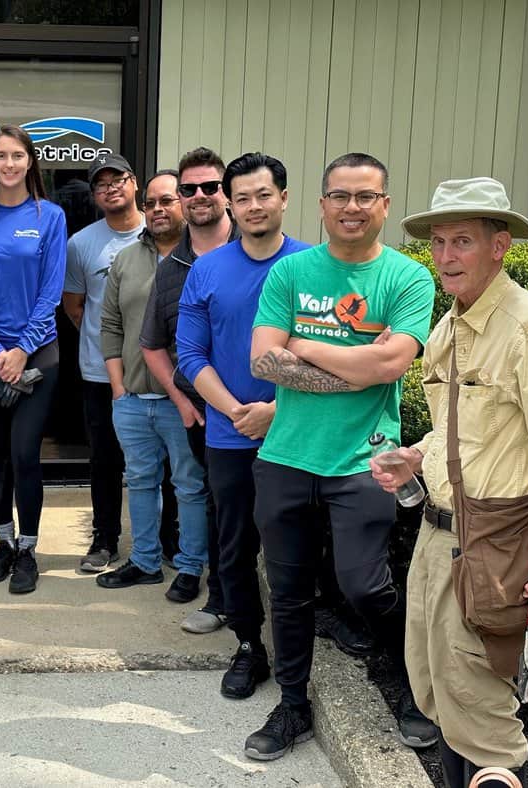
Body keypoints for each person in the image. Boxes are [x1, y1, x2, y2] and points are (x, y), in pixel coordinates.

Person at [374, 177, 528, 787]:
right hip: (436, 537)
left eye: (463, 242)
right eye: (438, 242)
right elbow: (457, 428)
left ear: (499, 246)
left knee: (479, 702)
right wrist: (416, 456)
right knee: (436, 687)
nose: (445, 256)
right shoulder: (448, 326)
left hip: (496, 539)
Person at [247, 152, 437, 760]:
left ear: (385, 205)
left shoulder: (408, 278)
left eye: (365, 196)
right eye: (340, 196)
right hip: (286, 456)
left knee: (366, 587)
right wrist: (357, 368)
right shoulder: (291, 272)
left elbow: (391, 364)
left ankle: (416, 688)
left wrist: (303, 345)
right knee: (288, 591)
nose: (351, 207)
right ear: (323, 203)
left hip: (365, 461)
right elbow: (263, 360)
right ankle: (293, 705)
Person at [179, 152, 310, 700]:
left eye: (264, 195)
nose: (254, 206)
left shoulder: (314, 266)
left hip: (299, 433)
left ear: (284, 198)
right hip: (229, 435)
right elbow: (190, 354)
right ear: (230, 205)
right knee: (233, 547)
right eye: (243, 198)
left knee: (298, 545)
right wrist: (236, 411)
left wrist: (276, 411)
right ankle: (249, 644)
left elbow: (332, 355)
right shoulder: (208, 269)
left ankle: (300, 649)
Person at [0, 125, 66, 595]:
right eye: (1, 156)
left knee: (24, 453)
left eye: (17, 155)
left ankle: (28, 549)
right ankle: (3, 542)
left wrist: (21, 350)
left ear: (30, 161)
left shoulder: (50, 216)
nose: (9, 164)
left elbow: (51, 292)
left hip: (38, 354)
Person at [97, 169, 208, 602]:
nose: (158, 209)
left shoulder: (204, 258)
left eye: (167, 200)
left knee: (190, 486)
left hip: (185, 401)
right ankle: (145, 562)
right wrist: (117, 389)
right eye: (151, 203)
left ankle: (190, 566)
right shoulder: (126, 259)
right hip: (132, 401)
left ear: (185, 203)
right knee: (140, 482)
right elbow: (110, 325)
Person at [139, 147, 236, 634]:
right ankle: (221, 601)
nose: (200, 196)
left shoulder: (261, 252)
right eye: (189, 189)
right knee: (218, 508)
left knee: (274, 514)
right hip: (204, 414)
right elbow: (152, 343)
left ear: (227, 194)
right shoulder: (171, 266)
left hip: (270, 412)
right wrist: (181, 401)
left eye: (210, 187)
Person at [63, 154, 145, 573]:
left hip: (157, 371)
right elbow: (74, 305)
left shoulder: (161, 231)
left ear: (135, 183)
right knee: (106, 459)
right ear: (94, 195)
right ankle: (105, 538)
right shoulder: (81, 244)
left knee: (165, 461)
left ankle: (167, 539)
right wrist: (108, 343)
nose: (111, 188)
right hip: (100, 370)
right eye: (101, 184)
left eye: (118, 180)